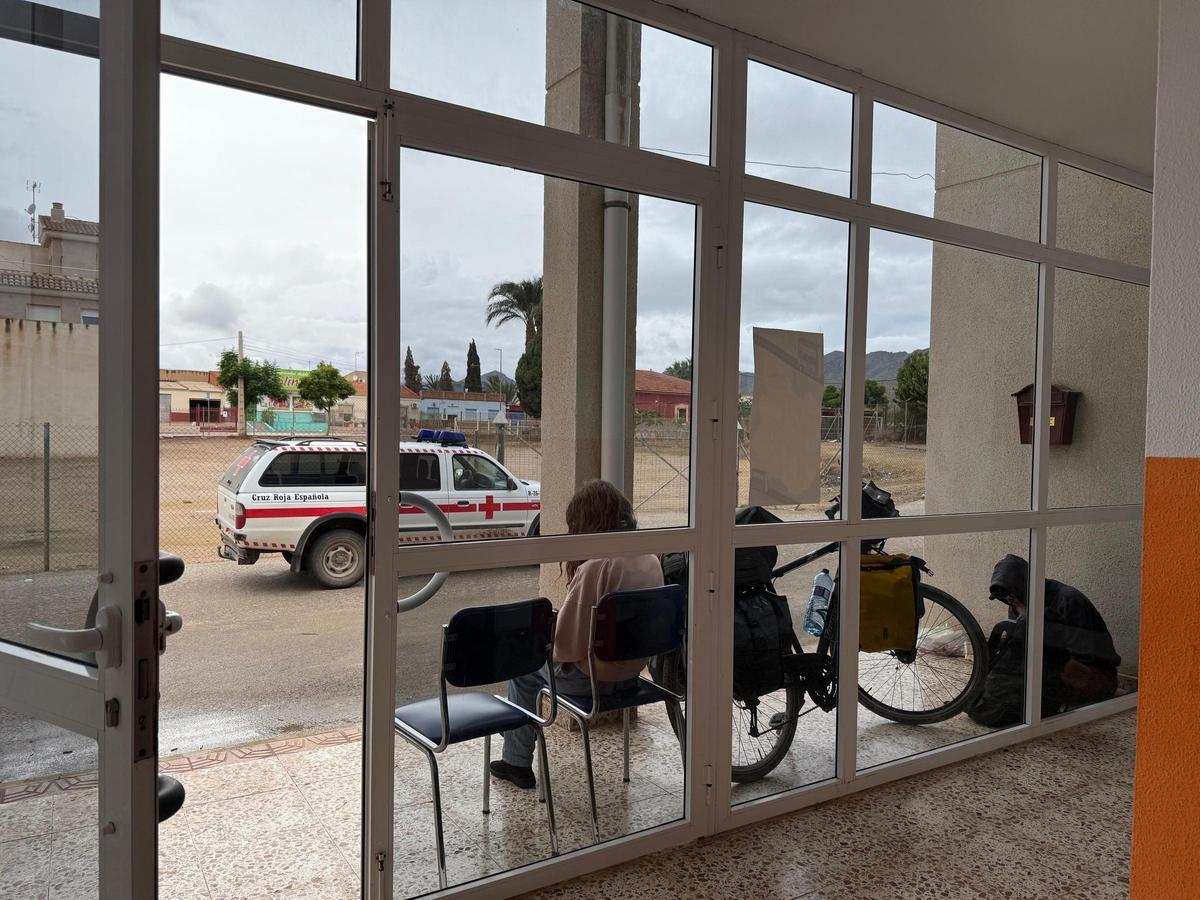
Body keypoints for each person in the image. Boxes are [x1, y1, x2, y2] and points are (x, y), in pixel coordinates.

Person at [489, 479, 664, 790]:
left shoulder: (596, 567)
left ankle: (516, 759)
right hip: (632, 675)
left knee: (524, 668)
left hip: (592, 682)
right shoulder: (649, 557)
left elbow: (566, 648)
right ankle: (518, 728)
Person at [968, 553, 1121, 727]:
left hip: (1093, 673)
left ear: (1025, 585)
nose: (1010, 601)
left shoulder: (1068, 601)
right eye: (1006, 598)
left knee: (1025, 691)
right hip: (1058, 668)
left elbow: (1083, 659)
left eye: (1012, 596)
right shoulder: (1019, 601)